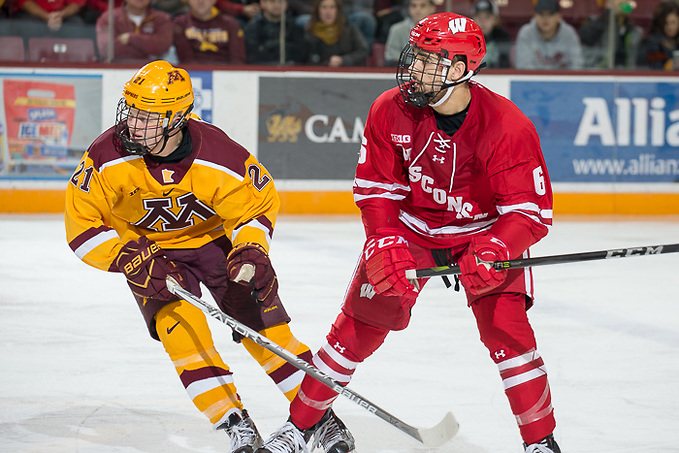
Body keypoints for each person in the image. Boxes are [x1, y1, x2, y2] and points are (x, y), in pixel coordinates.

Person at [256, 11, 559, 453]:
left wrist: (496, 246)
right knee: (354, 331)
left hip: (483, 233)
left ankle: (541, 443)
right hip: (412, 231)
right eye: (414, 55)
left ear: (458, 70)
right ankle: (298, 429)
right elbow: (377, 190)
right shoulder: (390, 108)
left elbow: (529, 212)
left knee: (508, 334)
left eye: (426, 58)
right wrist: (383, 239)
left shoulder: (508, 126)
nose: (412, 67)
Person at [65, 60, 314, 453]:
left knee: (263, 327)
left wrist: (250, 248)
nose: (131, 124)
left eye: (145, 117)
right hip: (149, 255)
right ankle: (234, 422)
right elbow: (81, 229)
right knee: (182, 334)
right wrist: (127, 256)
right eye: (131, 111)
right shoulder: (105, 157)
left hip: (213, 246)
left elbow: (257, 206)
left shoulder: (219, 154)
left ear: (176, 118)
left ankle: (318, 419)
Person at [95, 0, 173, 62]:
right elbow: (107, 49)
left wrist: (131, 38)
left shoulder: (163, 19)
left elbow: (162, 47)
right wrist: (147, 53)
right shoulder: (108, 18)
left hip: (152, 72)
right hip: (117, 69)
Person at [514, 0, 583, 70]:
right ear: (535, 16)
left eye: (550, 14)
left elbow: (577, 65)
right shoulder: (526, 33)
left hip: (563, 80)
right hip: (534, 80)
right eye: (541, 14)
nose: (545, 19)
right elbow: (523, 66)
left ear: (558, 16)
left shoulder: (569, 33)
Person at [173, 0, 247, 64]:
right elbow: (186, 60)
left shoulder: (230, 23)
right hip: (193, 74)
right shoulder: (180, 23)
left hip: (225, 74)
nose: (201, 2)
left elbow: (238, 59)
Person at [579, 0, 644, 69]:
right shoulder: (595, 23)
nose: (624, 2)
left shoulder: (632, 30)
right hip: (597, 71)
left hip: (624, 73)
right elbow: (587, 39)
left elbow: (639, 58)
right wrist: (609, 14)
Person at [243, 0, 309, 64]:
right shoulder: (253, 28)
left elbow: (301, 54)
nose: (277, 5)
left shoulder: (294, 29)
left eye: (281, 2)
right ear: (263, 3)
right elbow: (253, 56)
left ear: (286, 4)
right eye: (272, 1)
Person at [305, 0, 368, 67]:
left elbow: (362, 51)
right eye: (324, 7)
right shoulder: (310, 31)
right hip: (321, 73)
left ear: (337, 10)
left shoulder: (349, 28)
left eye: (332, 7)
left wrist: (343, 60)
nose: (328, 11)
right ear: (318, 10)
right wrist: (327, 64)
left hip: (347, 71)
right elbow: (308, 59)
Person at [384, 0, 435, 66]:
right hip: (404, 71)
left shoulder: (440, 32)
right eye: (414, 6)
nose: (418, 9)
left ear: (432, 8)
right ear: (409, 8)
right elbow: (391, 56)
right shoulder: (397, 29)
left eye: (423, 6)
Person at [470, 0, 511, 68]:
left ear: (495, 19)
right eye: (479, 17)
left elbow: (503, 67)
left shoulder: (503, 38)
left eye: (487, 17)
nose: (483, 21)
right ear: (473, 19)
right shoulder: (467, 38)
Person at [643, 0, 679, 70]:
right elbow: (656, 68)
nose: (670, 27)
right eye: (666, 23)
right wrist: (668, 66)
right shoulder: (654, 42)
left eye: (673, 22)